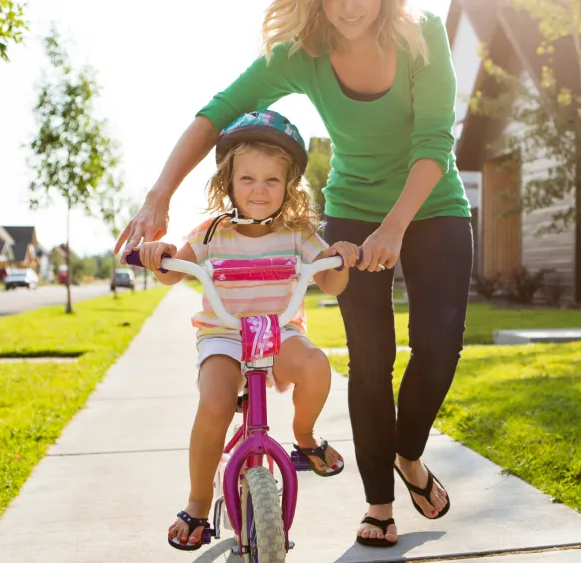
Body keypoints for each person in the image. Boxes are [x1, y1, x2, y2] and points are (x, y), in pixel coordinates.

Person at [117, 0, 472, 547]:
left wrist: (395, 228)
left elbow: (434, 143)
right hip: (354, 208)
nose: (350, 7)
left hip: (432, 205)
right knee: (372, 359)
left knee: (441, 345)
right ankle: (379, 504)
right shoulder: (302, 51)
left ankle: (408, 451)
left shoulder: (421, 33)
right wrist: (159, 195)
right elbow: (217, 113)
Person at [132, 110, 361, 551]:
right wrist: (160, 253)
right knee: (216, 403)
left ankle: (306, 438)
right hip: (224, 334)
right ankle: (199, 503)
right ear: (228, 183)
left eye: (272, 181)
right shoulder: (212, 233)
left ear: (289, 185)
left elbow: (331, 281)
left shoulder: (298, 233)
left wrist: (339, 257)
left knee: (316, 366)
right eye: (248, 179)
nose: (259, 190)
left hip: (278, 332)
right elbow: (173, 272)